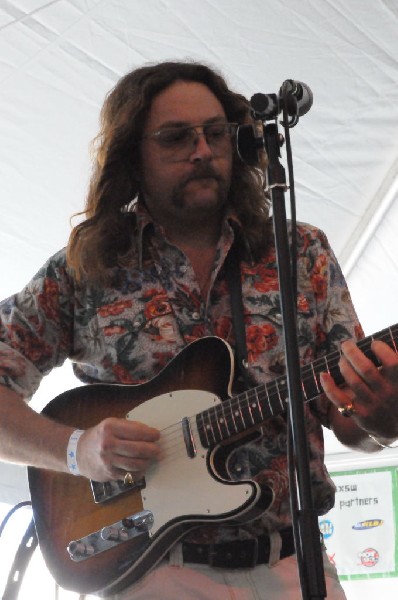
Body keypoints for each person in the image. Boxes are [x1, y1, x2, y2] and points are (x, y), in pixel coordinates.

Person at [0, 61, 397, 600]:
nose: (203, 151)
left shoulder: (301, 252)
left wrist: (380, 420)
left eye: (216, 134)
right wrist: (78, 450)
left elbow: (347, 417)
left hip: (293, 562)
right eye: (175, 137)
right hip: (152, 572)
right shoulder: (85, 267)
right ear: (131, 154)